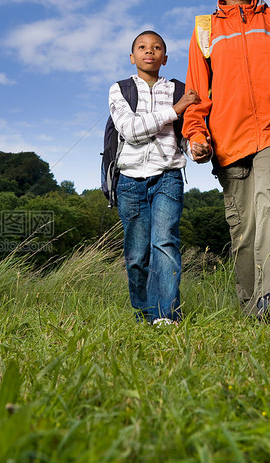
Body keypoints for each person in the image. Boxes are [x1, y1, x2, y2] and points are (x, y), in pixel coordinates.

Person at [184, 0, 270, 320]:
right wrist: (196, 136)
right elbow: (196, 92)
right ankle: (252, 312)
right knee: (244, 232)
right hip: (229, 143)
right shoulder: (205, 29)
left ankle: (267, 298)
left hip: (268, 137)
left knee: (268, 208)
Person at [109, 30, 201, 325]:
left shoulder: (178, 89)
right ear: (132, 56)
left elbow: (186, 136)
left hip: (168, 176)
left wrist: (198, 148)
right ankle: (143, 315)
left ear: (165, 57)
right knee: (137, 256)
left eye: (157, 47)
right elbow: (131, 131)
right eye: (142, 47)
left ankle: (166, 317)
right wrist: (175, 110)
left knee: (165, 243)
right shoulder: (120, 89)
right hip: (129, 180)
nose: (150, 51)